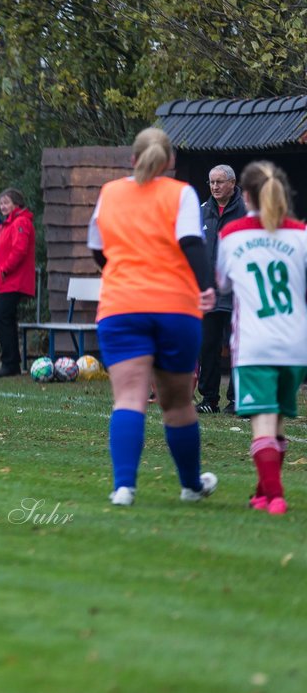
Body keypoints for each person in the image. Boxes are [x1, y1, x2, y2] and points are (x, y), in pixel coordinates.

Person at [87, 127, 218, 507]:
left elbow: (98, 250)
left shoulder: (110, 193)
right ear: (171, 163)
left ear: (133, 158)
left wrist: (121, 269)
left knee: (128, 398)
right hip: (175, 307)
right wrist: (206, 285)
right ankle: (191, 485)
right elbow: (192, 244)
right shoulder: (181, 194)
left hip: (121, 307)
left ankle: (124, 487)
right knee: (177, 403)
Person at [215, 161, 307, 516]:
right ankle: (262, 491)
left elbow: (222, 284)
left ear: (247, 195)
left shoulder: (231, 234)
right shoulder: (301, 234)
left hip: (256, 344)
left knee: (263, 424)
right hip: (296, 344)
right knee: (278, 421)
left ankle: (277, 497)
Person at [197, 164, 246, 414]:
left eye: (219, 182)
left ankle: (237, 399)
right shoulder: (202, 212)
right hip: (209, 293)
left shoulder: (247, 212)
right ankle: (209, 399)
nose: (215, 187)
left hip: (239, 293)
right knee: (208, 346)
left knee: (239, 347)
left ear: (232, 183)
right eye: (211, 182)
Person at [0, 188, 35, 377]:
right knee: (3, 319)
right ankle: (11, 361)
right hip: (3, 281)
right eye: (1, 203)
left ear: (16, 203)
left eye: (6, 202)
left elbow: (19, 250)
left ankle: (10, 363)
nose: (3, 206)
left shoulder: (21, 222)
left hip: (12, 280)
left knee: (2, 318)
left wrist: (4, 269)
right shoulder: (5, 224)